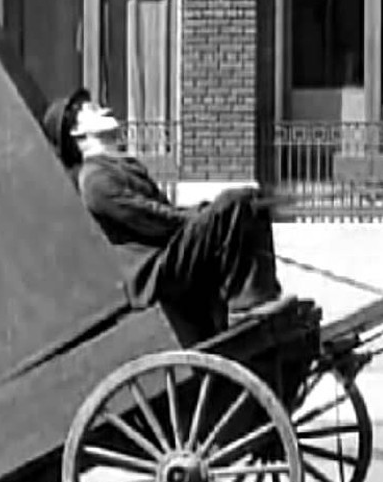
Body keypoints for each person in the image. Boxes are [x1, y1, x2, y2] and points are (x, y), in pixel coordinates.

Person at [42, 89, 291, 333]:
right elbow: (155, 221)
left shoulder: (118, 165)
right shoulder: (95, 179)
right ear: (76, 131)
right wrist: (207, 216)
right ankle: (244, 309)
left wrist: (205, 214)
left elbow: (164, 214)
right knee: (234, 202)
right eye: (92, 109)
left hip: (166, 255)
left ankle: (262, 296)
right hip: (153, 272)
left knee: (250, 202)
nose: (105, 109)